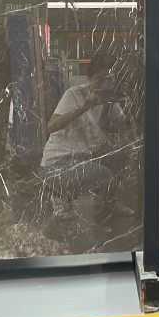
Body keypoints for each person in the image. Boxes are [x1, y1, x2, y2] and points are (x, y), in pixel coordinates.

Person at [39, 59, 129, 219]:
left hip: (85, 158)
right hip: (57, 163)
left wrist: (128, 108)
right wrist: (83, 108)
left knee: (124, 149)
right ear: (90, 78)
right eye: (100, 79)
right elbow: (51, 126)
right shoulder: (74, 94)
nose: (106, 83)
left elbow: (123, 131)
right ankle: (59, 194)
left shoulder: (111, 101)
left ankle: (110, 202)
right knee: (104, 175)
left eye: (110, 78)